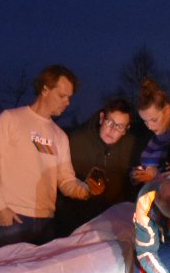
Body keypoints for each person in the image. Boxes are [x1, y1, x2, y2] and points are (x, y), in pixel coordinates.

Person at [0, 64, 99, 246]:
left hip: (46, 221)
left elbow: (65, 180)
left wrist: (86, 190)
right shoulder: (10, 119)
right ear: (45, 89)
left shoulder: (60, 136)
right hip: (14, 218)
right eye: (62, 96)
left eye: (70, 97)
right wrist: (0, 208)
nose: (67, 102)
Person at [56, 98, 138, 234]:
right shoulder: (76, 141)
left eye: (120, 126)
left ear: (126, 129)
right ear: (101, 118)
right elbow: (62, 180)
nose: (112, 129)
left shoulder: (133, 149)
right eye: (110, 122)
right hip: (73, 222)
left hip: (111, 225)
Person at [130, 78, 170, 187]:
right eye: (145, 121)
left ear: (168, 110)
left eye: (154, 120)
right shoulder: (150, 139)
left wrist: (157, 175)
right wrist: (136, 176)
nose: (150, 126)